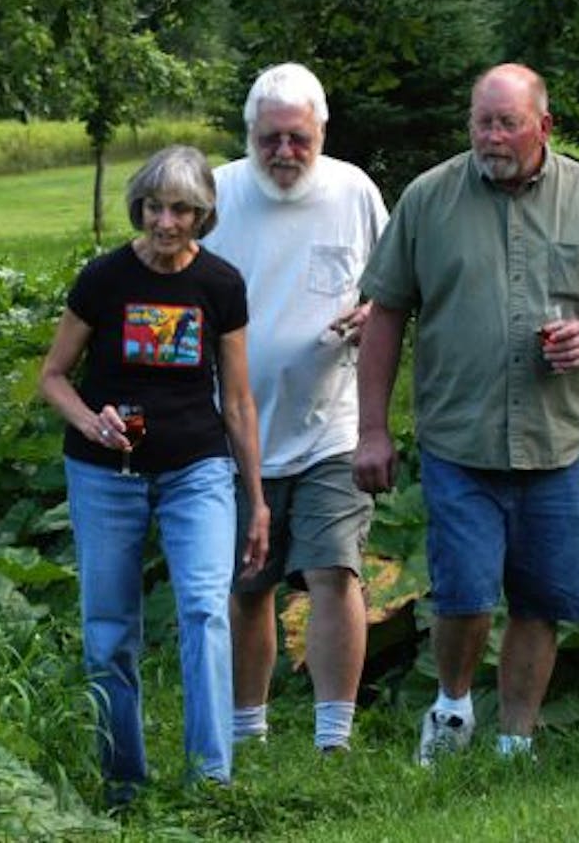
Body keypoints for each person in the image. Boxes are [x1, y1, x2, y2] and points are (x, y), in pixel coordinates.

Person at [352, 63, 579, 766]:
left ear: (543, 126)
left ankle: (517, 740)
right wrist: (371, 428)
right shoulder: (429, 198)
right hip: (461, 437)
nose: (491, 136)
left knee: (541, 600)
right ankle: (452, 710)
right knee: (462, 594)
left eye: (506, 122)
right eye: (481, 121)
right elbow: (386, 313)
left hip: (558, 440)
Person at [38, 145, 270, 801]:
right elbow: (52, 377)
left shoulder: (221, 285)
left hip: (196, 468)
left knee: (204, 610)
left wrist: (255, 499)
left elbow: (241, 400)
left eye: (183, 210)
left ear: (203, 214)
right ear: (138, 205)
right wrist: (89, 421)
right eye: (156, 207)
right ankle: (124, 782)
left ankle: (211, 777)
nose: (167, 222)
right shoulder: (104, 278)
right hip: (105, 473)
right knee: (109, 628)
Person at [203, 63, 389, 753]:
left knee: (334, 569)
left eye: (298, 138)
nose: (284, 152)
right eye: (270, 137)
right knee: (249, 583)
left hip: (330, 426)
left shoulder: (354, 191)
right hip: (236, 430)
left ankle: (332, 734)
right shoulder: (217, 194)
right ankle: (248, 729)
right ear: (249, 133)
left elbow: (392, 286)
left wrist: (373, 311)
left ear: (321, 133)